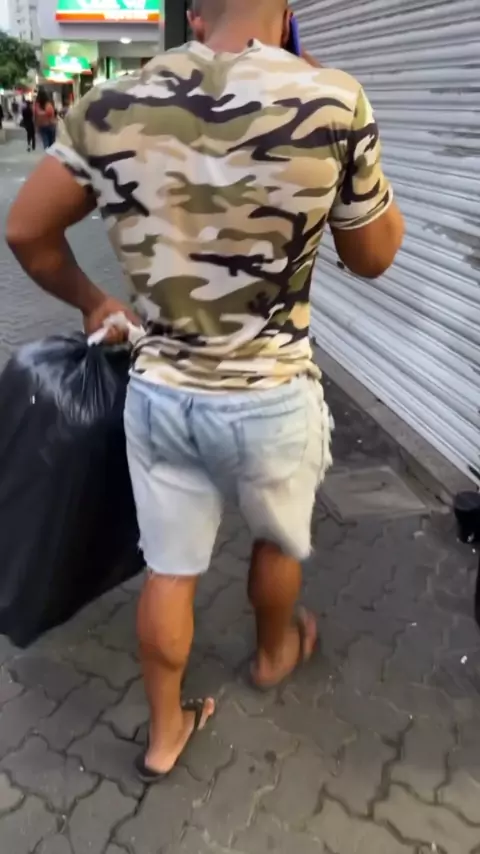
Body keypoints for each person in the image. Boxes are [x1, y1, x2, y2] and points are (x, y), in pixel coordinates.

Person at [6, 0, 404, 782]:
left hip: (162, 396)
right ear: (286, 11)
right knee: (278, 541)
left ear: (192, 16)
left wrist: (95, 301)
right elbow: (375, 256)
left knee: (172, 568)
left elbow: (25, 230)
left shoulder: (113, 104)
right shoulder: (332, 99)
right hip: (275, 393)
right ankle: (274, 653)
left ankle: (164, 733)